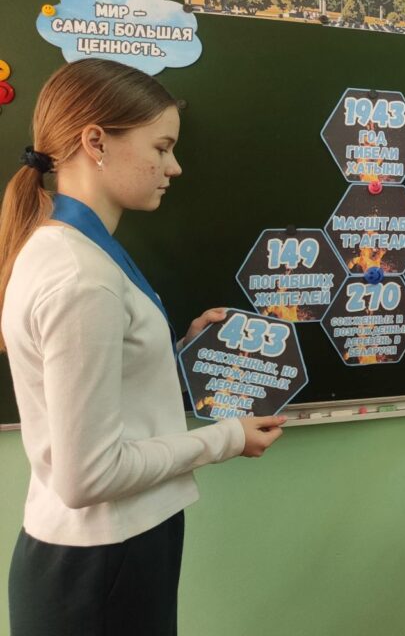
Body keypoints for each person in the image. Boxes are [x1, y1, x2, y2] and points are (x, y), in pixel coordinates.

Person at [1, 58, 286, 636]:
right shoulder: (81, 275)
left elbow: (105, 388)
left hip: (104, 554)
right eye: (161, 148)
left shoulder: (70, 249)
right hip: (102, 565)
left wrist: (179, 355)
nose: (173, 167)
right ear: (96, 142)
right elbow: (89, 476)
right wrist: (228, 438)